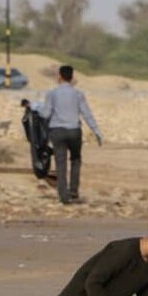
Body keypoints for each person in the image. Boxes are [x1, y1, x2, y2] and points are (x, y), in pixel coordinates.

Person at [38, 65, 103, 204]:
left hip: (57, 131)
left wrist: (36, 109)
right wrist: (96, 131)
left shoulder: (52, 94)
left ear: (60, 76)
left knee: (60, 163)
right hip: (74, 131)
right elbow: (87, 114)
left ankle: (63, 196)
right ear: (72, 77)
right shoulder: (78, 94)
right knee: (75, 159)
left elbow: (46, 113)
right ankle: (74, 191)